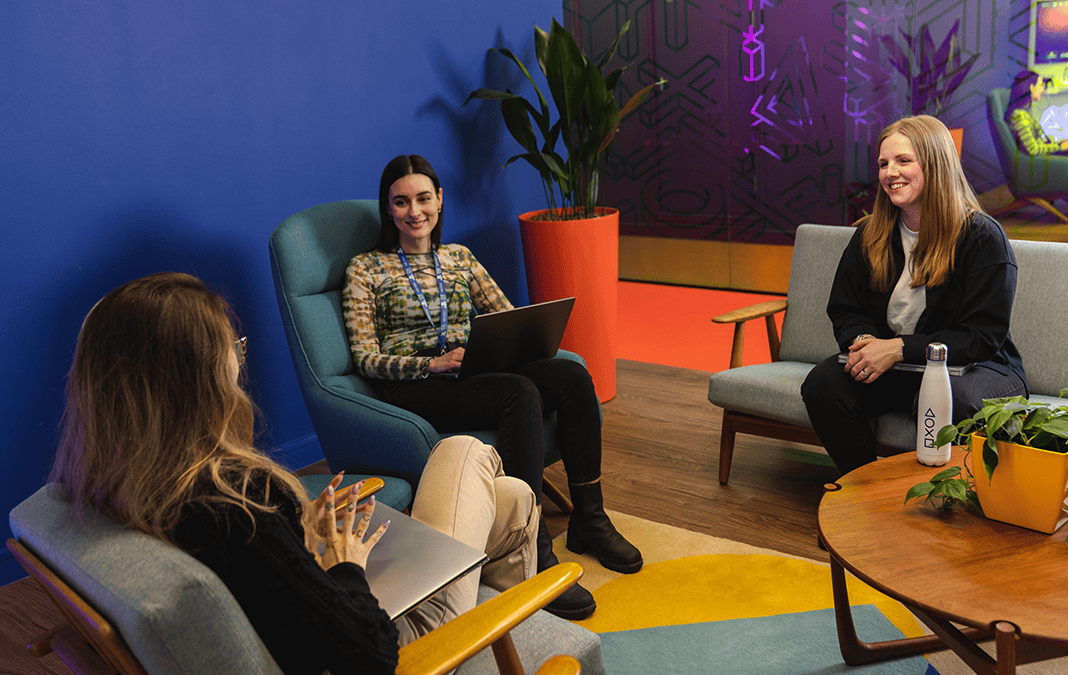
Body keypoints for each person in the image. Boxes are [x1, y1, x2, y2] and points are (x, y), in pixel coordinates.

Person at [49, 272, 538, 674]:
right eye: (233, 348)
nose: (238, 362)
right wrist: (345, 563)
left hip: (311, 611)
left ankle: (511, 605)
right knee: (465, 452)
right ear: (198, 378)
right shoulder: (235, 510)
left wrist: (299, 535)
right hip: (395, 650)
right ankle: (506, 628)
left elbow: (267, 579)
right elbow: (367, 654)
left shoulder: (102, 481)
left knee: (510, 496)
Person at [342, 154, 642, 620]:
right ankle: (534, 549)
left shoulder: (458, 257)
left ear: (440, 200)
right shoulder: (366, 269)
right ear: (388, 209)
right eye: (401, 202)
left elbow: (505, 314)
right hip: (417, 385)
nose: (414, 211)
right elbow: (364, 356)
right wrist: (431, 364)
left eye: (424, 198)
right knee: (519, 392)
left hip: (473, 369)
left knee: (571, 375)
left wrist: (514, 340)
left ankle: (590, 518)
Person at [800, 116, 1028, 475]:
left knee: (953, 401)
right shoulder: (869, 234)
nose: (891, 172)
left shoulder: (982, 238)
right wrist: (865, 344)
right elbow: (845, 308)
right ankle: (866, 494)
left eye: (904, 161)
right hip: (903, 365)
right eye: (883, 163)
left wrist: (897, 348)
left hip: (978, 367)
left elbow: (980, 337)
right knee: (825, 383)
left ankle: (938, 500)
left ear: (935, 163)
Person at [1005, 70, 1068, 162]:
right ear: (1032, 88)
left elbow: (1040, 140)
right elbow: (1033, 149)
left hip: (1043, 156)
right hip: (1040, 162)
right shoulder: (1020, 116)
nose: (1043, 89)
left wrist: (1063, 142)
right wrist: (1060, 146)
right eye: (1040, 86)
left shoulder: (1024, 113)